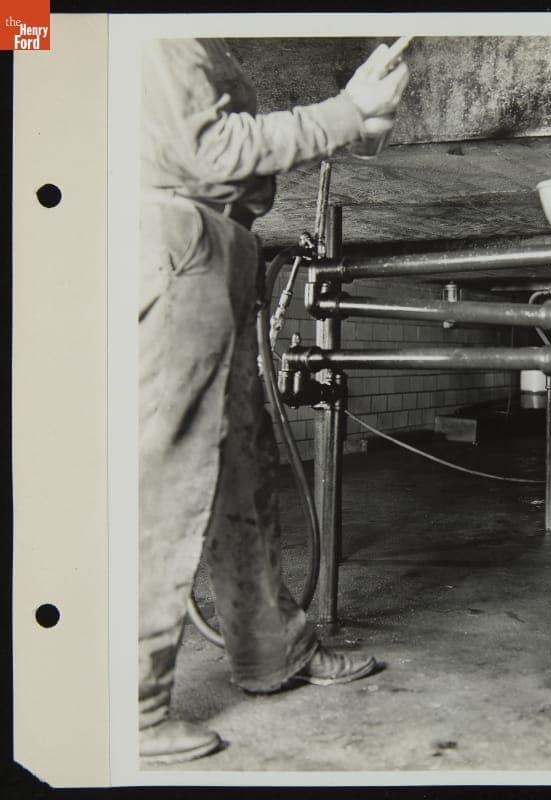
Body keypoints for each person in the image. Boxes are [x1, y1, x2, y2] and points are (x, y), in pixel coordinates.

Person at [139, 37, 409, 765]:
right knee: (163, 481)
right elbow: (208, 151)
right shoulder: (144, 32)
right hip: (175, 242)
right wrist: (346, 112)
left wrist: (354, 118)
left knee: (241, 468)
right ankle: (124, 707)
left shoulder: (187, 37)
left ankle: (271, 654)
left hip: (214, 247)